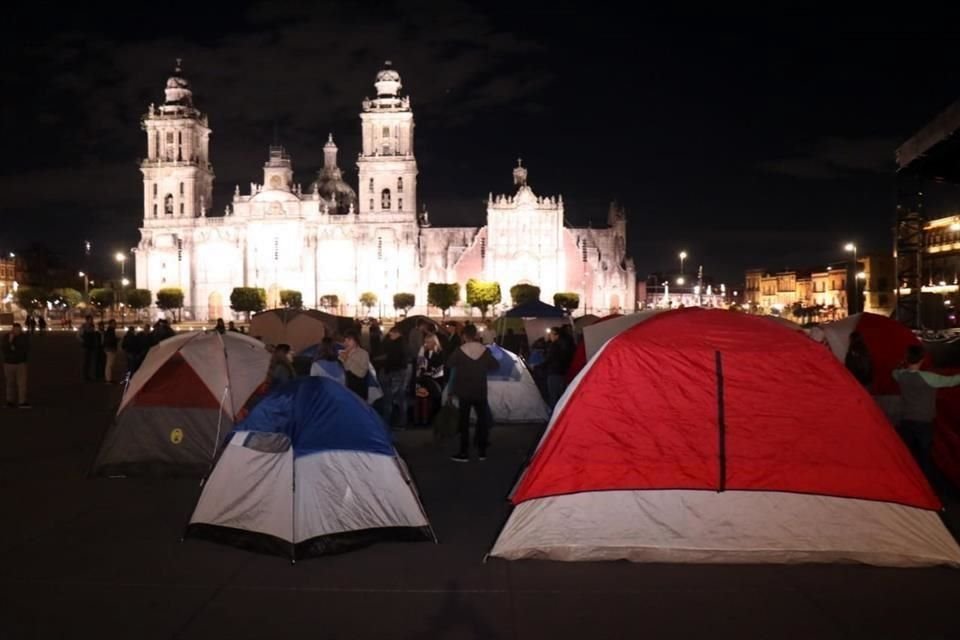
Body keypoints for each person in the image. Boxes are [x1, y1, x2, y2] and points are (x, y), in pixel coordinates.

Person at [892, 344, 960, 479]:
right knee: (924, 455)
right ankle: (923, 482)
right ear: (922, 359)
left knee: (907, 454)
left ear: (907, 358)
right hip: (924, 422)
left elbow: (894, 371)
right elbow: (952, 381)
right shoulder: (929, 377)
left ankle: (907, 478)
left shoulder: (900, 375)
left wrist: (901, 364)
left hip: (906, 420)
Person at [446, 324, 498, 462]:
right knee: (482, 420)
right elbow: (495, 365)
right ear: (475, 335)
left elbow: (449, 363)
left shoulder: (459, 350)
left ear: (464, 336)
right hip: (480, 390)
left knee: (464, 421)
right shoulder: (485, 350)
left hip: (464, 390)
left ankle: (464, 452)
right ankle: (482, 451)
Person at [379, 327, 409, 428]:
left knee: (389, 398)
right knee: (400, 398)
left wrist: (386, 369)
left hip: (396, 373)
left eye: (391, 334)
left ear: (397, 333)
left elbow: (392, 359)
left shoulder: (397, 344)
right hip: (400, 372)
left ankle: (386, 422)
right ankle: (402, 422)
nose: (389, 336)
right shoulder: (402, 343)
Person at [414, 333, 445, 425]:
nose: (426, 344)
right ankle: (425, 419)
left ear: (434, 342)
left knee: (436, 400)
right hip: (426, 379)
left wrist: (431, 373)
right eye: (425, 342)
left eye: (428, 342)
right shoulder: (425, 352)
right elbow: (421, 365)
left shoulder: (440, 352)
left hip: (437, 379)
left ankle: (435, 419)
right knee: (425, 398)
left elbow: (441, 367)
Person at [2, 322, 30, 408]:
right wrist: (10, 341)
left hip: (20, 363)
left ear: (20, 329)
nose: (17, 331)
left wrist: (12, 347)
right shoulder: (7, 337)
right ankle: (9, 401)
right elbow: (4, 348)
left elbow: (24, 349)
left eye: (18, 330)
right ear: (12, 329)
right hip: (9, 363)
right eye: (15, 329)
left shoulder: (23, 337)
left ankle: (22, 401)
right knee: (10, 383)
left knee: (22, 384)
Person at [339, 329, 370, 400]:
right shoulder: (343, 352)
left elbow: (362, 373)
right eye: (345, 340)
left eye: (349, 340)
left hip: (358, 390)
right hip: (346, 389)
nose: (346, 343)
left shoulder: (363, 353)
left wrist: (347, 359)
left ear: (356, 340)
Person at [78, 315, 98, 381]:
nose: (91, 321)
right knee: (85, 362)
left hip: (91, 346)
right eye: (90, 319)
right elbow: (78, 335)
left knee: (89, 361)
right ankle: (84, 376)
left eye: (92, 319)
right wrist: (83, 341)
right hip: (85, 346)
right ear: (87, 320)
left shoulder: (92, 326)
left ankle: (88, 375)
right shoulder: (83, 327)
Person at [102, 319, 119, 384]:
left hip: (109, 348)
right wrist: (116, 340)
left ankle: (109, 378)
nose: (115, 324)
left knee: (109, 364)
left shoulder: (110, 330)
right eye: (114, 323)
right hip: (110, 349)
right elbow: (110, 340)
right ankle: (108, 379)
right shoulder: (110, 331)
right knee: (109, 365)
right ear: (110, 324)